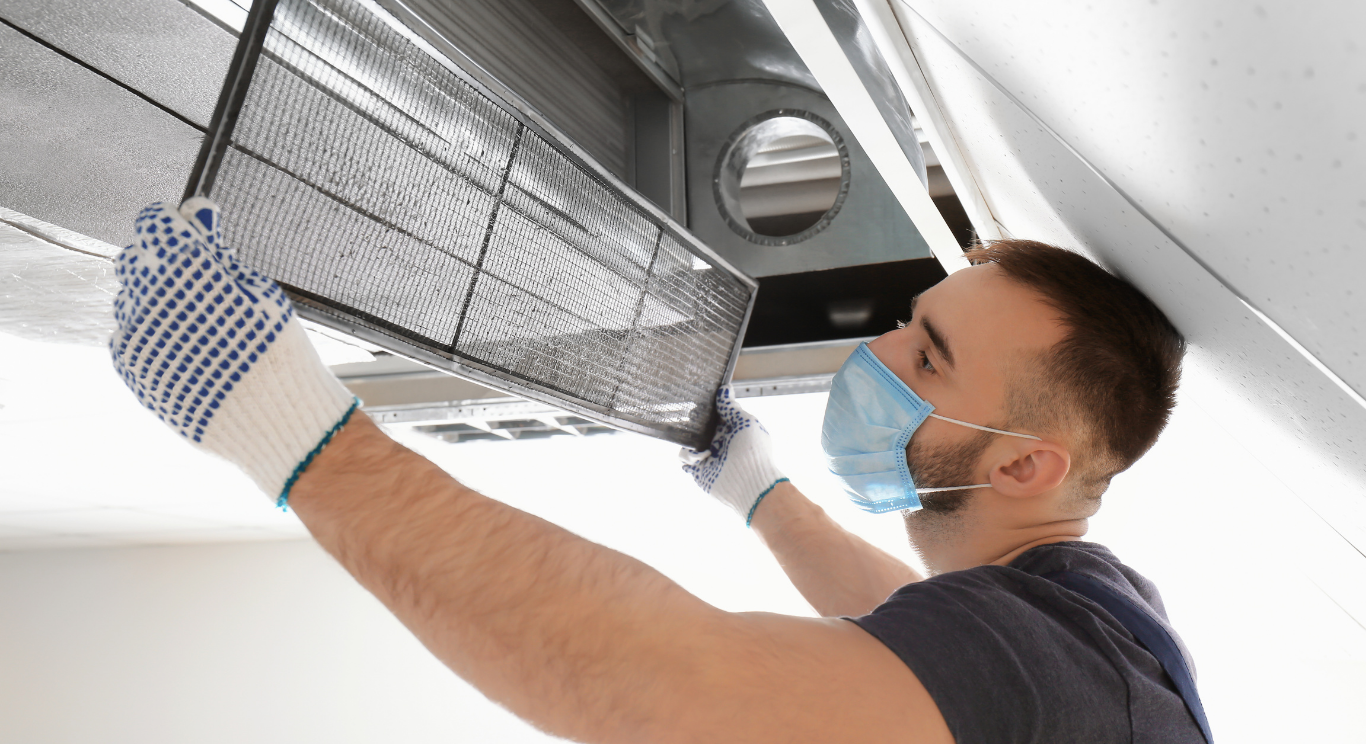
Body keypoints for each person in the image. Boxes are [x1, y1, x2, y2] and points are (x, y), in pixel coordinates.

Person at [110, 198, 1202, 743]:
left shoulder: (1070, 656)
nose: (876, 356)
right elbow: (910, 628)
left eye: (926, 357)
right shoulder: (1086, 623)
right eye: (904, 323)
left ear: (1023, 466)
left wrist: (298, 437)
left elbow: (668, 685)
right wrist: (759, 497)